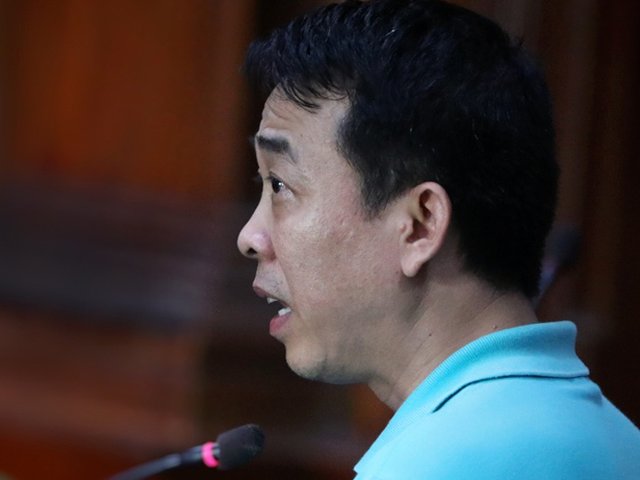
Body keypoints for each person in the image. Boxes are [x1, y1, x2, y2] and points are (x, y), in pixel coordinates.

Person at [236, 0, 640, 478]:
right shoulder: (619, 439)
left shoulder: (433, 465)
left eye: (280, 184)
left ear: (421, 224)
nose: (250, 237)